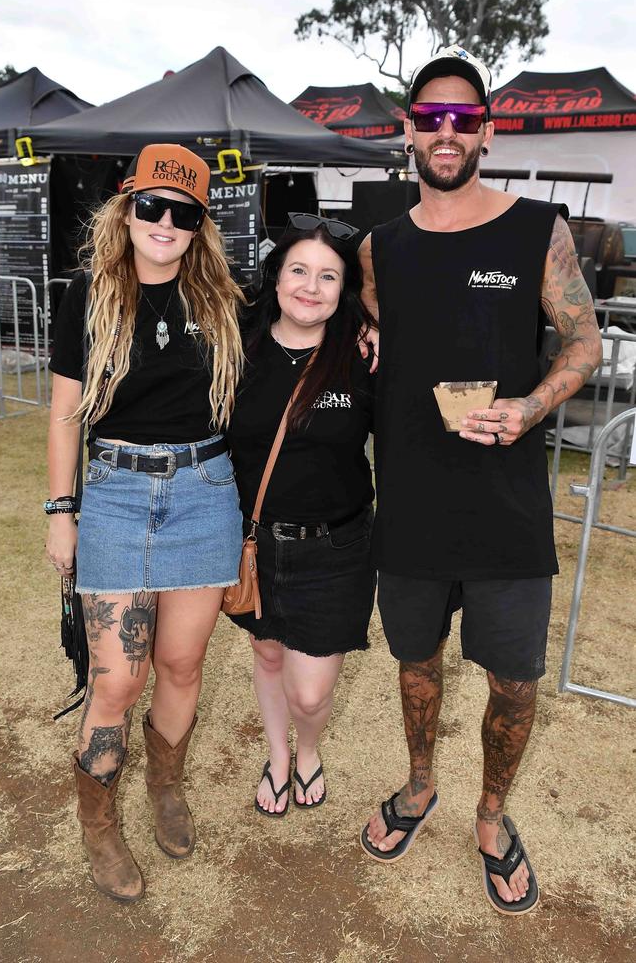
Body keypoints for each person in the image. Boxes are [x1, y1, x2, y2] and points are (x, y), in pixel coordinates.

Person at [357, 46, 603, 914]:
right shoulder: (379, 247)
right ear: (410, 132)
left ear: (489, 134)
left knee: (514, 682)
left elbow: (584, 340)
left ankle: (493, 817)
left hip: (507, 508)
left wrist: (533, 406)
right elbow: (377, 332)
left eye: (465, 118)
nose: (447, 131)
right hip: (414, 505)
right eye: (432, 118)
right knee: (416, 665)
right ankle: (419, 785)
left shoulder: (541, 228)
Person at [46, 143, 245, 903]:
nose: (164, 222)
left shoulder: (223, 301)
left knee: (182, 666)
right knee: (118, 677)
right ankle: (99, 825)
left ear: (199, 225)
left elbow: (302, 328)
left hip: (204, 492)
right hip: (117, 496)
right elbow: (65, 414)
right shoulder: (86, 294)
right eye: (151, 206)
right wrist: (61, 513)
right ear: (127, 209)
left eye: (182, 212)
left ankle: (166, 785)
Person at [227, 213, 377, 816]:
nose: (310, 287)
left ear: (345, 291)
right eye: (299, 270)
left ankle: (308, 746)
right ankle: (280, 758)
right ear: (277, 274)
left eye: (328, 277)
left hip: (336, 549)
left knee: (310, 692)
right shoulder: (239, 346)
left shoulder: (364, 357)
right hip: (255, 544)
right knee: (267, 653)